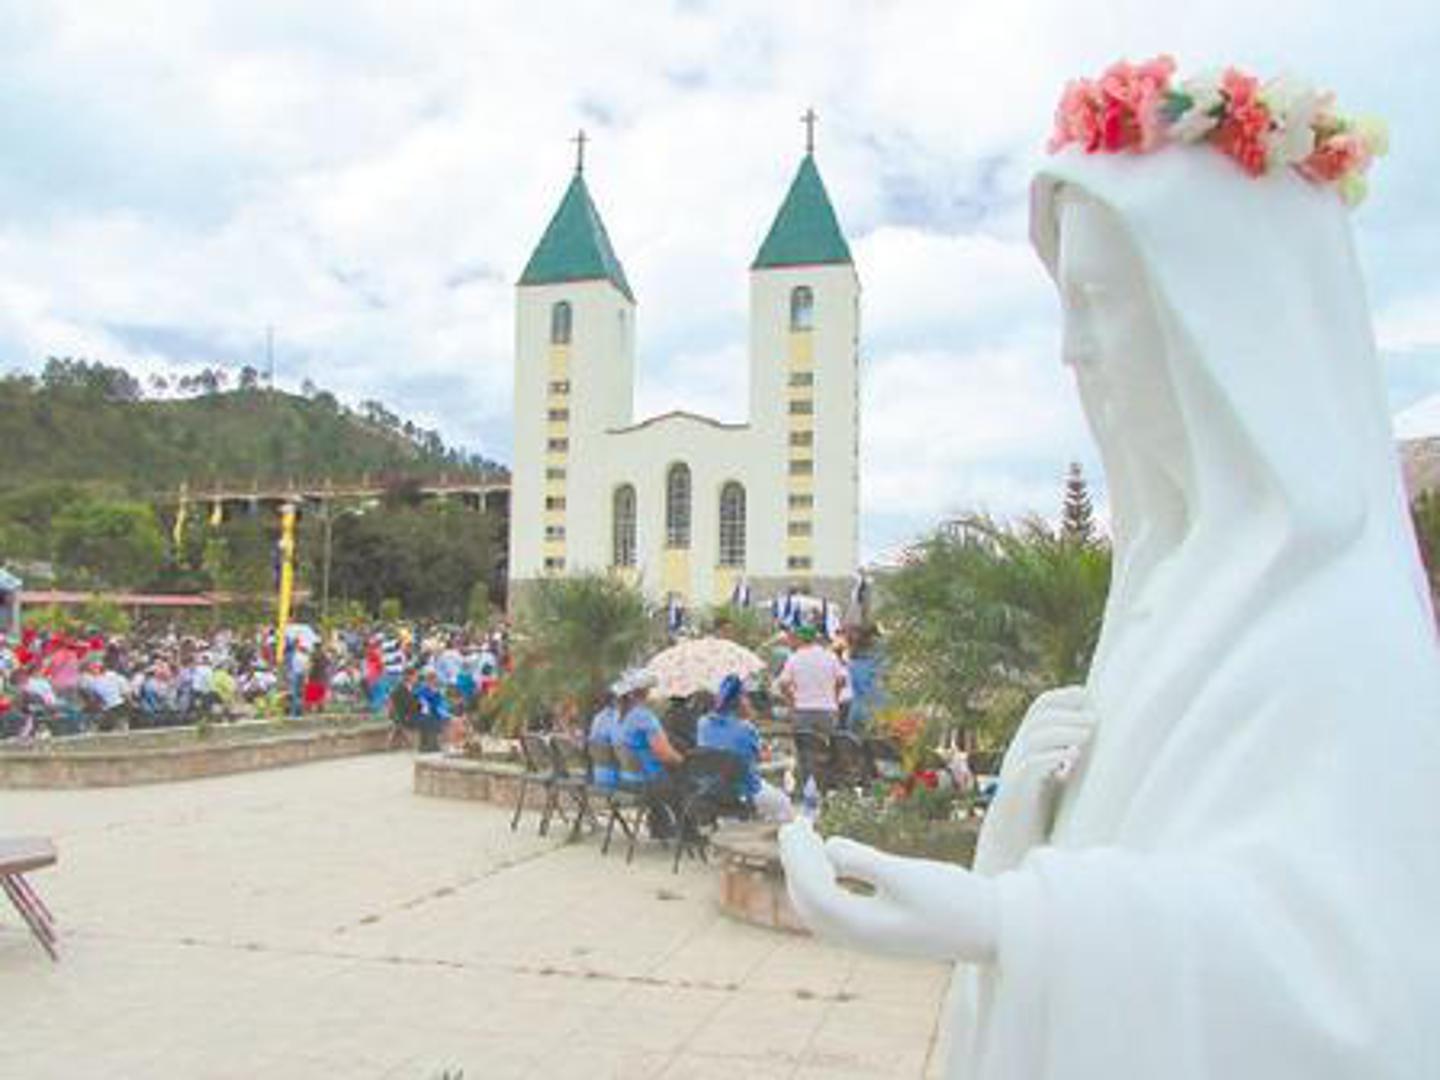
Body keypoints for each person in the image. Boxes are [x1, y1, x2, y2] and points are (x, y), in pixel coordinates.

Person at [781, 59, 1440, 1078]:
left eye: (1098, 299)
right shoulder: (1174, 590)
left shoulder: (1339, 628)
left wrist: (1008, 918)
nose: (1071, 349)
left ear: (1224, 323)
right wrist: (1027, 818)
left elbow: (1359, 982)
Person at [697, 674, 792, 823]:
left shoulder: (702, 724)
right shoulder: (746, 728)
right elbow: (761, 758)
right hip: (743, 792)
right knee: (785, 805)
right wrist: (749, 718)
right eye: (745, 696)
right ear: (740, 701)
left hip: (711, 791)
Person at [615, 668, 685, 837]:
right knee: (687, 782)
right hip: (646, 783)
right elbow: (664, 754)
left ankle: (660, 826)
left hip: (626, 781)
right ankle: (689, 833)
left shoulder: (622, 717)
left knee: (666, 778)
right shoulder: (645, 718)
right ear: (646, 691)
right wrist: (684, 761)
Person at [776, 624, 847, 788]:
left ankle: (807, 785)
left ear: (800, 639)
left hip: (803, 711)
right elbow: (842, 680)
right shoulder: (830, 656)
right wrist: (834, 698)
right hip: (828, 711)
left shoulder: (795, 658)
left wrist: (792, 703)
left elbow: (783, 684)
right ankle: (827, 785)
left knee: (805, 752)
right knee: (829, 750)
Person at [587, 688, 622, 790]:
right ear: (614, 700)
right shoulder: (616, 716)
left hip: (599, 774)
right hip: (614, 778)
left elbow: (592, 740)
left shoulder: (597, 717)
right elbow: (617, 739)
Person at [387, 667, 421, 749]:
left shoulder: (414, 687)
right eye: (415, 676)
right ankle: (399, 740)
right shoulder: (398, 689)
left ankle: (398, 740)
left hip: (409, 714)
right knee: (401, 723)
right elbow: (398, 706)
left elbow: (415, 703)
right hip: (402, 715)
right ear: (409, 676)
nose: (417, 678)